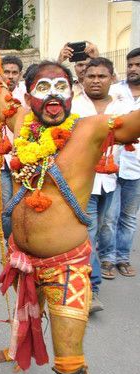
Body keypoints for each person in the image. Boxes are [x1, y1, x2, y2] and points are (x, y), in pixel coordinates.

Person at [0, 26, 140, 374]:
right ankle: (17, 349)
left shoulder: (91, 130)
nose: (54, 95)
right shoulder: (22, 123)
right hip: (24, 257)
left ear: (72, 93)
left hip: (67, 265)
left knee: (70, 366)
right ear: (29, 97)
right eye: (43, 88)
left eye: (62, 87)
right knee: (25, 314)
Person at [72, 57, 130, 313]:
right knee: (88, 233)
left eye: (102, 76)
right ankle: (91, 289)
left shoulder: (124, 106)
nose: (96, 81)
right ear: (83, 79)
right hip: (84, 182)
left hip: (114, 179)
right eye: (91, 76)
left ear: (112, 78)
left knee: (108, 226)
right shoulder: (73, 106)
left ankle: (104, 263)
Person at [106, 47, 140, 278]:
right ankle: (107, 258)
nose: (133, 69)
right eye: (130, 65)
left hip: (136, 166)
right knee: (109, 216)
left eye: (138, 65)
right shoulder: (114, 91)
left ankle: (123, 258)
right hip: (110, 164)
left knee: (128, 216)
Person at [0, 55, 27, 242]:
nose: (10, 76)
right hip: (1, 161)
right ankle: (10, 243)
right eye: (6, 72)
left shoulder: (26, 97)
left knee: (21, 204)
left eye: (14, 73)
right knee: (6, 206)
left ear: (20, 74)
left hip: (23, 159)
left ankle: (21, 242)